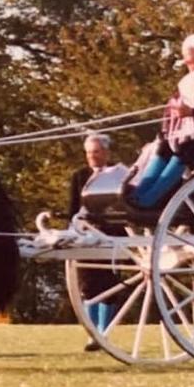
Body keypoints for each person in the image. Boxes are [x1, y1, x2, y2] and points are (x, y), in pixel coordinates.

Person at [131, 32, 194, 209]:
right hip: (186, 132)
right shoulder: (185, 82)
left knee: (184, 151)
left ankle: (148, 200)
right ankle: (137, 194)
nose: (188, 65)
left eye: (190, 61)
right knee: (163, 149)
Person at [68, 132, 118, 348]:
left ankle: (103, 333)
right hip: (85, 233)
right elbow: (72, 208)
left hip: (111, 233)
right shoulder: (79, 176)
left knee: (108, 285)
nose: (92, 157)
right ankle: (92, 333)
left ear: (106, 152)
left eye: (96, 152)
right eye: (89, 153)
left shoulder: (118, 174)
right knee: (88, 286)